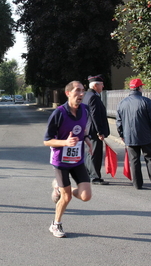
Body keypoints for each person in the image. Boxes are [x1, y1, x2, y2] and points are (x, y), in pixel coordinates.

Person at [44, 81, 93, 238]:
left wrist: (86, 138)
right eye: (77, 91)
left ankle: (59, 188)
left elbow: (82, 128)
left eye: (83, 91)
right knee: (67, 197)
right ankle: (55, 225)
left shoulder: (85, 110)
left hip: (77, 159)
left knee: (86, 196)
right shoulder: (58, 113)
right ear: (68, 93)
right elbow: (47, 140)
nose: (81, 94)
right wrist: (65, 142)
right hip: (60, 161)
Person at [116, 78, 151, 191]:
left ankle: (137, 184)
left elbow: (119, 121)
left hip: (129, 136)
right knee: (150, 159)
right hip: (146, 135)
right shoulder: (146, 101)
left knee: (134, 160)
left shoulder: (122, 103)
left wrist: (121, 134)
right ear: (139, 88)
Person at [82, 74, 110, 185]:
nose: (103, 86)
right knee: (95, 154)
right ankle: (95, 177)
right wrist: (100, 131)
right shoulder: (93, 97)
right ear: (95, 85)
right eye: (101, 84)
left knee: (90, 153)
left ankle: (89, 174)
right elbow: (95, 115)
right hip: (93, 131)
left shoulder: (85, 95)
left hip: (87, 129)